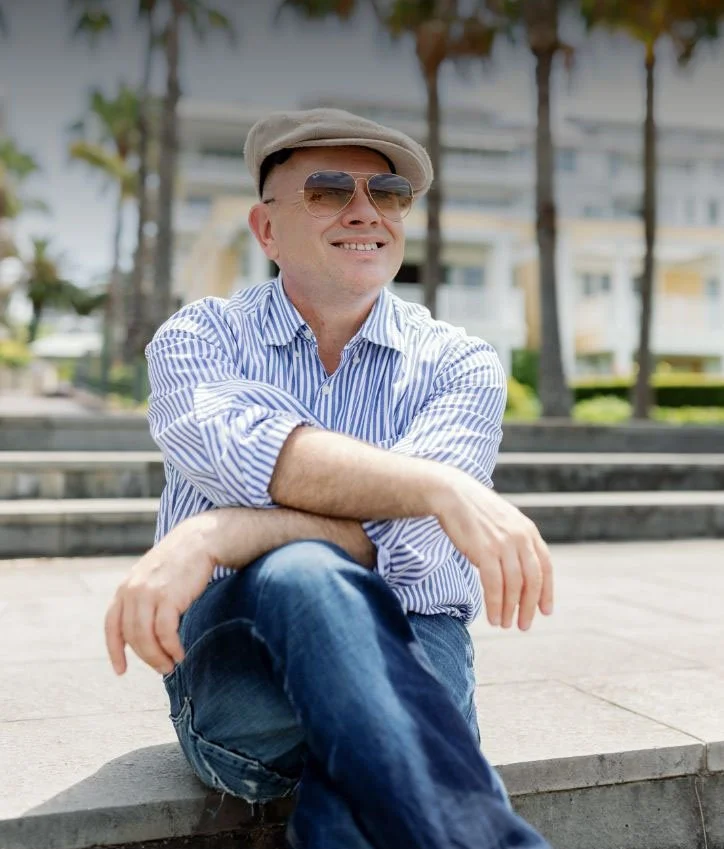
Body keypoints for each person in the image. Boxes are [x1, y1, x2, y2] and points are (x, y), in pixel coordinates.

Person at [104, 107, 554, 849]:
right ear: (266, 229)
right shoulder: (199, 339)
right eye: (327, 190)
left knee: (351, 797)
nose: (365, 212)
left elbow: (407, 548)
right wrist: (436, 487)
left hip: (416, 640)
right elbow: (256, 452)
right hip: (241, 668)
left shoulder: (460, 362)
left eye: (388, 192)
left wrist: (225, 528)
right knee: (306, 572)